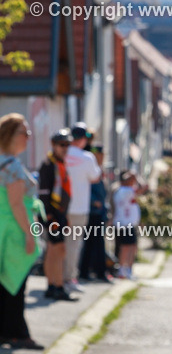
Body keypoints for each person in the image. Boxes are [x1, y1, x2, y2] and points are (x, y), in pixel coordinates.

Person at [0, 114, 44, 350]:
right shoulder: (12, 166)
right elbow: (16, 203)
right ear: (10, 135)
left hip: (2, 229)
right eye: (24, 133)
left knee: (4, 281)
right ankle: (15, 332)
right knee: (15, 282)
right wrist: (29, 233)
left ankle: (9, 331)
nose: (29, 137)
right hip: (13, 231)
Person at [38, 129, 75, 301]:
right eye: (62, 144)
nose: (65, 148)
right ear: (54, 145)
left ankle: (52, 286)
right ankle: (58, 286)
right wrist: (48, 216)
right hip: (52, 215)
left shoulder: (60, 163)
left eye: (68, 144)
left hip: (59, 214)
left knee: (53, 251)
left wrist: (64, 216)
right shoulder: (48, 164)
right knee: (58, 250)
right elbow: (44, 192)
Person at [63, 123, 101, 292]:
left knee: (59, 244)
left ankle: (58, 277)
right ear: (84, 139)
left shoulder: (62, 154)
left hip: (62, 206)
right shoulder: (87, 158)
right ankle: (70, 278)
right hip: (79, 207)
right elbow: (95, 177)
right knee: (74, 244)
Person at [80, 144, 111, 281]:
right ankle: (88, 272)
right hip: (92, 212)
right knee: (91, 243)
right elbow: (84, 187)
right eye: (100, 154)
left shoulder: (98, 169)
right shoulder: (90, 168)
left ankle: (97, 271)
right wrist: (93, 201)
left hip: (99, 212)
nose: (103, 157)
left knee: (98, 243)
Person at [112, 171, 144, 279]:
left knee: (132, 247)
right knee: (126, 247)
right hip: (125, 224)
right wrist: (137, 177)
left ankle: (127, 270)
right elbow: (143, 188)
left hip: (127, 223)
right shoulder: (126, 190)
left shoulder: (122, 190)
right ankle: (122, 270)